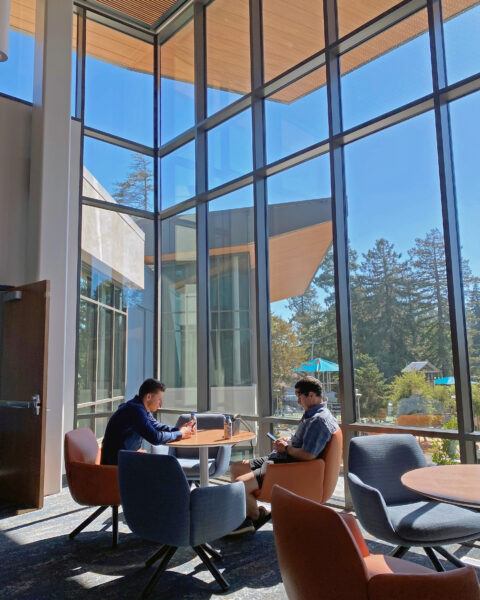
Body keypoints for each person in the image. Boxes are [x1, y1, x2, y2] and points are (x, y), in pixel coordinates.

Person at [229, 376, 339, 535]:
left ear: (311, 395)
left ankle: (253, 517)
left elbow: (308, 455)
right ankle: (254, 512)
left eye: (299, 395)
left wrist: (286, 448)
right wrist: (288, 442)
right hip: (280, 458)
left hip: (287, 467)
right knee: (236, 468)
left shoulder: (319, 420)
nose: (297, 400)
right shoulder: (313, 414)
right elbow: (304, 444)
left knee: (239, 485)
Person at [101, 378, 194, 465]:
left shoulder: (139, 407)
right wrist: (180, 433)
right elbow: (155, 437)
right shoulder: (135, 410)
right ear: (149, 397)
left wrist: (179, 429)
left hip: (123, 459)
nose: (160, 405)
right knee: (163, 466)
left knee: (160, 464)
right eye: (159, 400)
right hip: (116, 467)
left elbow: (156, 426)